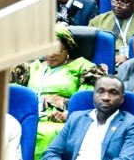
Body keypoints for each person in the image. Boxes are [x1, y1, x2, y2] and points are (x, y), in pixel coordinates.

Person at [20, 29, 109, 160]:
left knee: (45, 134)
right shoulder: (34, 67)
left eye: (56, 50)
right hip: (30, 116)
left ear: (67, 50)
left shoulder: (82, 66)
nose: (50, 55)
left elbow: (84, 100)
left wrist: (68, 114)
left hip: (60, 118)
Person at [41, 75, 134, 160]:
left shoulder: (132, 124)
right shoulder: (76, 118)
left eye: (113, 93)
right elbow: (51, 152)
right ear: (93, 95)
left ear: (122, 99)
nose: (106, 97)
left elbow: (127, 158)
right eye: (101, 91)